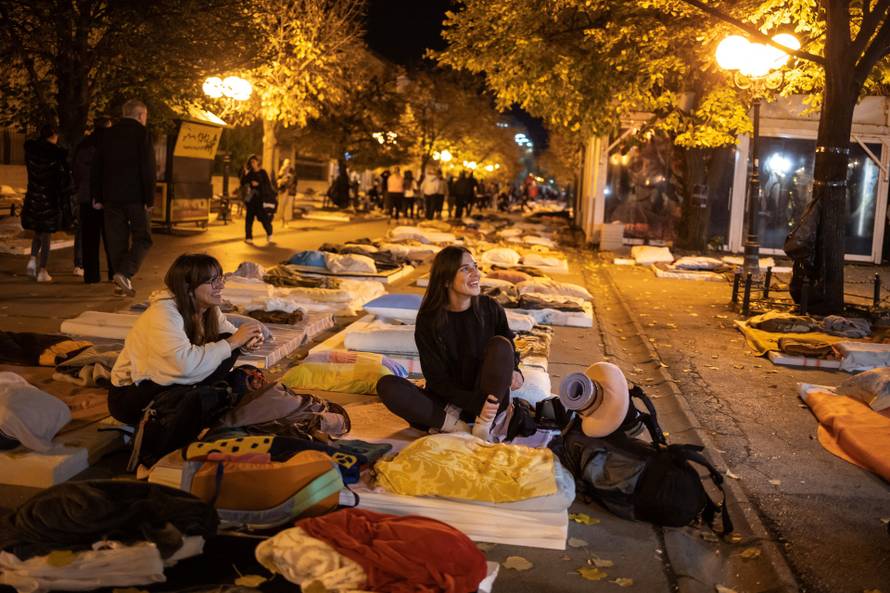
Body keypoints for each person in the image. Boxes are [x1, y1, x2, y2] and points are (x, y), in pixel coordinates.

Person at [376, 246, 528, 442]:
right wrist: (468, 404)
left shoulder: (490, 307)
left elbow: (508, 351)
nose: (476, 274)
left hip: (489, 400)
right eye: (465, 269)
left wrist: (515, 370)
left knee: (501, 344)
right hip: (447, 404)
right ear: (446, 280)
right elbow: (436, 379)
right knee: (387, 386)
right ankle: (459, 427)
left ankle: (483, 425)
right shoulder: (429, 320)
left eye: (475, 266)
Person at [107, 253, 264, 426]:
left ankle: (197, 398)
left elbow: (231, 335)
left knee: (232, 354)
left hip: (172, 381)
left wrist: (248, 342)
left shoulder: (208, 309)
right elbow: (184, 365)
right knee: (228, 347)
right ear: (188, 287)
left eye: (220, 278)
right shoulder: (163, 314)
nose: (220, 285)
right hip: (132, 397)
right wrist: (235, 342)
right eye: (212, 281)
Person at [92, 99, 156, 297]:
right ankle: (124, 273)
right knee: (143, 237)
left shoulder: (107, 134)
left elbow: (97, 166)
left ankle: (120, 283)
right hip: (135, 197)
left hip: (111, 197)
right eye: (145, 116)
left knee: (116, 239)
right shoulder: (142, 134)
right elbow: (148, 168)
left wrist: (97, 195)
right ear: (140, 115)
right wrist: (150, 198)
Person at [21, 123, 73, 283]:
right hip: (50, 197)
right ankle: (43, 270)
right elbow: (64, 178)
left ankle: (32, 259)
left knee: (38, 230)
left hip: (33, 196)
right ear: (54, 136)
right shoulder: (57, 154)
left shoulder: (31, 151)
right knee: (46, 234)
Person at [72, 116, 114, 283]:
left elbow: (76, 171)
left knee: (89, 239)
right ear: (109, 126)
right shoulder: (113, 145)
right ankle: (114, 273)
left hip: (86, 197)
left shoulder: (83, 144)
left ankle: (91, 275)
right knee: (111, 238)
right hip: (108, 198)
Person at [240, 155, 275, 245]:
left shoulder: (263, 172)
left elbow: (267, 185)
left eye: (254, 161)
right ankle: (248, 237)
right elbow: (243, 182)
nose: (252, 163)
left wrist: (258, 184)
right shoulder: (250, 173)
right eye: (251, 162)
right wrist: (245, 173)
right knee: (249, 219)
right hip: (251, 199)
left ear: (258, 162)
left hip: (261, 199)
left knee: (263, 218)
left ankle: (270, 233)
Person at [276, 158, 295, 227]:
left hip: (290, 191)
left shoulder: (292, 171)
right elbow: (278, 181)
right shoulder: (281, 171)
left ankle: (286, 222)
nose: (288, 165)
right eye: (287, 163)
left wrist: (290, 179)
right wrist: (282, 181)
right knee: (282, 206)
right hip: (282, 191)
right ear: (284, 164)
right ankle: (282, 221)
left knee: (288, 207)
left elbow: (294, 181)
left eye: (289, 163)